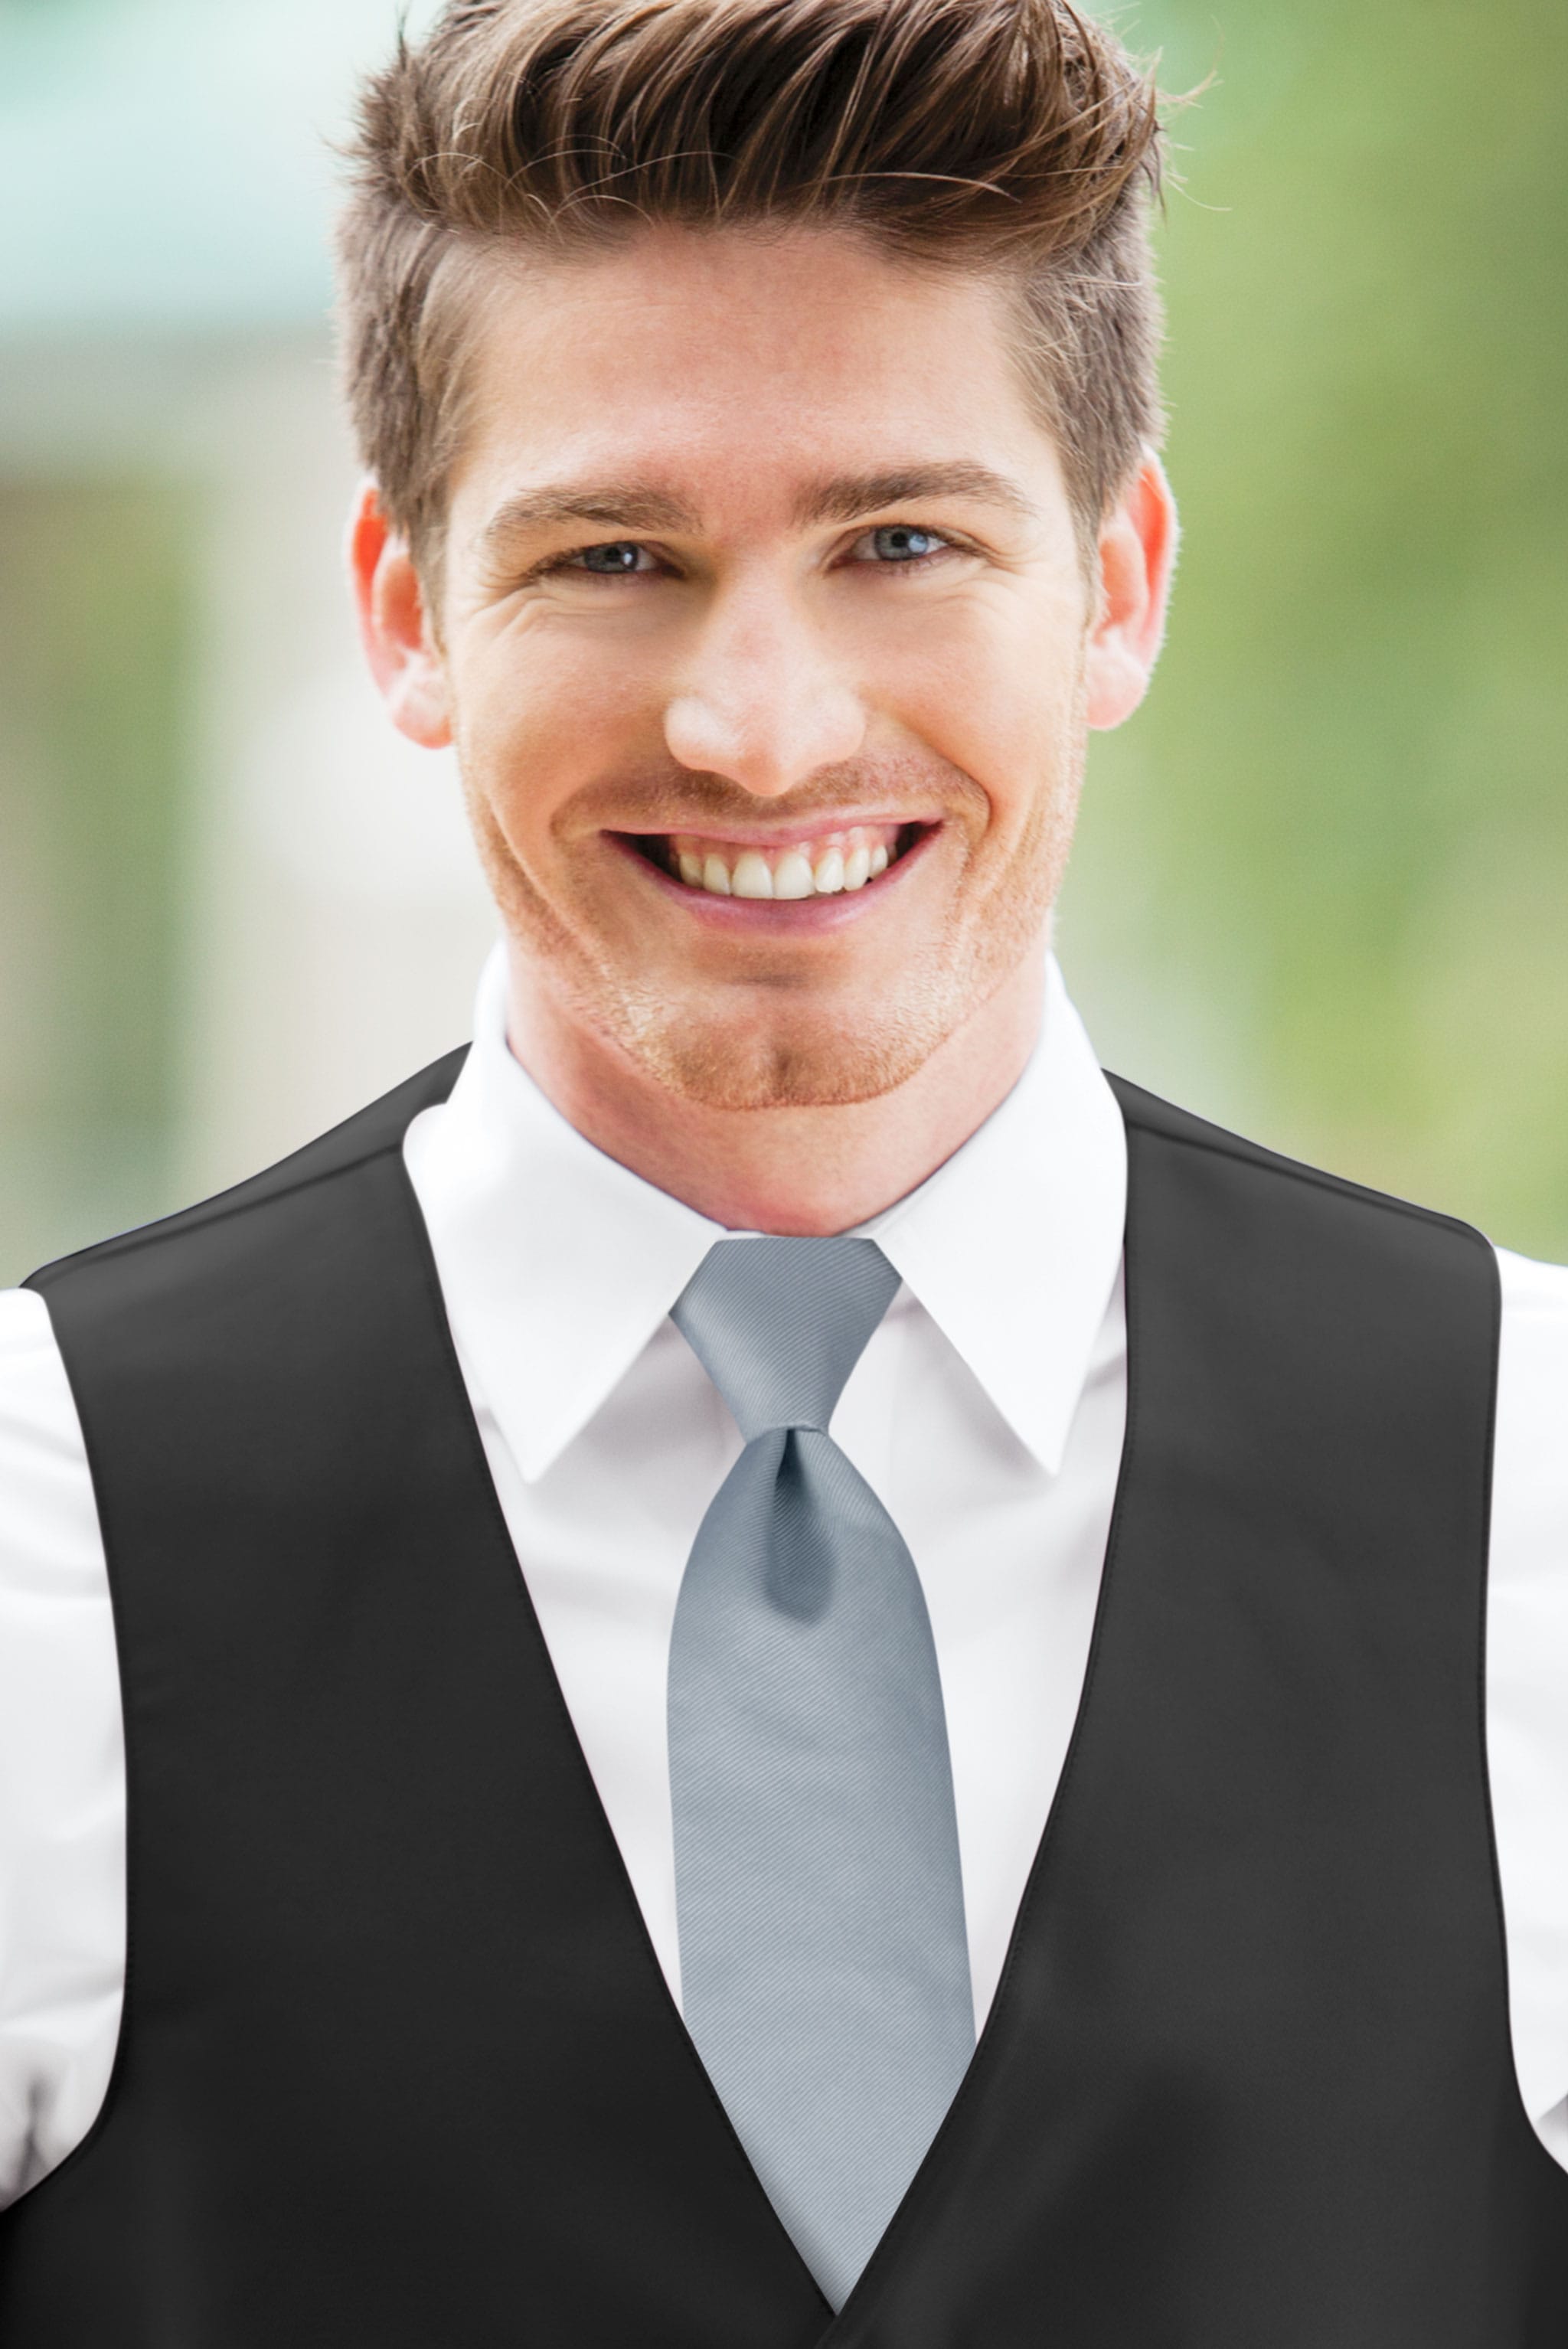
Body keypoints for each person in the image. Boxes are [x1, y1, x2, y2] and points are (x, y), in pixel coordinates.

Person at [0, 0, 1565, 2336]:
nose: (762, 726)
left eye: (904, 539)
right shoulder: (33, 1527)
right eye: (616, 553)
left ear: (1118, 583)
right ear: (407, 608)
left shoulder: (1541, 1477)